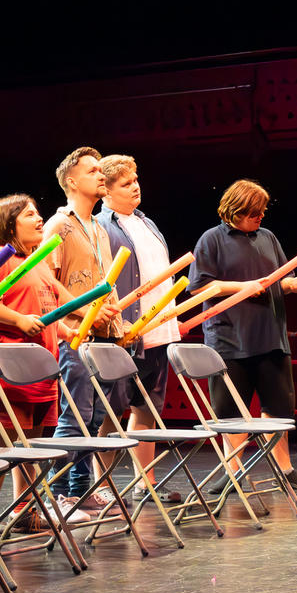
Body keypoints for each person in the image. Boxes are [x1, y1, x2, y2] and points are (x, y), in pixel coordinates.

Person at [187, 179, 297, 491]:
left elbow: (279, 279)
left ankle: (283, 468)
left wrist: (291, 285)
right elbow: (199, 286)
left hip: (270, 335)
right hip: (229, 338)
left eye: (262, 212)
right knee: (232, 410)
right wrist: (245, 287)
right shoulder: (212, 240)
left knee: (278, 408)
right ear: (235, 210)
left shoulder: (267, 237)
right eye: (253, 212)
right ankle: (233, 471)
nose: (260, 217)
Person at [0, 194, 90, 532]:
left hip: (41, 363)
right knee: (7, 436)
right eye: (29, 214)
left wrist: (74, 324)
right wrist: (20, 321)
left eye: (37, 212)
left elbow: (58, 301)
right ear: (9, 223)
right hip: (9, 358)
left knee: (33, 440)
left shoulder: (37, 260)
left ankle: (24, 509)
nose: (38, 218)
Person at [94, 154, 184, 502]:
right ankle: (101, 487)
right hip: (125, 332)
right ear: (106, 191)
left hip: (158, 333)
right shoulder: (102, 225)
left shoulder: (147, 222)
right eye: (126, 183)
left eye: (136, 179)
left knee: (147, 408)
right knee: (110, 411)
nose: (135, 187)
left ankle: (144, 485)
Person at [43, 147, 126, 512]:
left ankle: (81, 488)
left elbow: (105, 283)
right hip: (74, 336)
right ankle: (58, 491)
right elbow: (46, 282)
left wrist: (116, 321)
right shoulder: (59, 225)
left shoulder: (99, 228)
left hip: (102, 337)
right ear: (72, 181)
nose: (100, 175)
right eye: (92, 170)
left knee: (91, 419)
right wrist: (65, 328)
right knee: (73, 417)